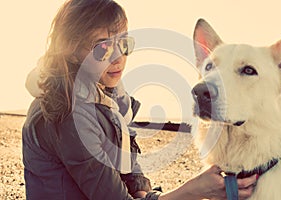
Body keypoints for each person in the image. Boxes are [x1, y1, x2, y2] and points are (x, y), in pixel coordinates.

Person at [22, 0, 257, 199]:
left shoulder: (108, 95)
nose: (118, 57)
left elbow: (125, 163)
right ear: (71, 50)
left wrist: (141, 188)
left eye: (123, 43)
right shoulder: (67, 115)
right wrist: (194, 190)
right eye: (101, 47)